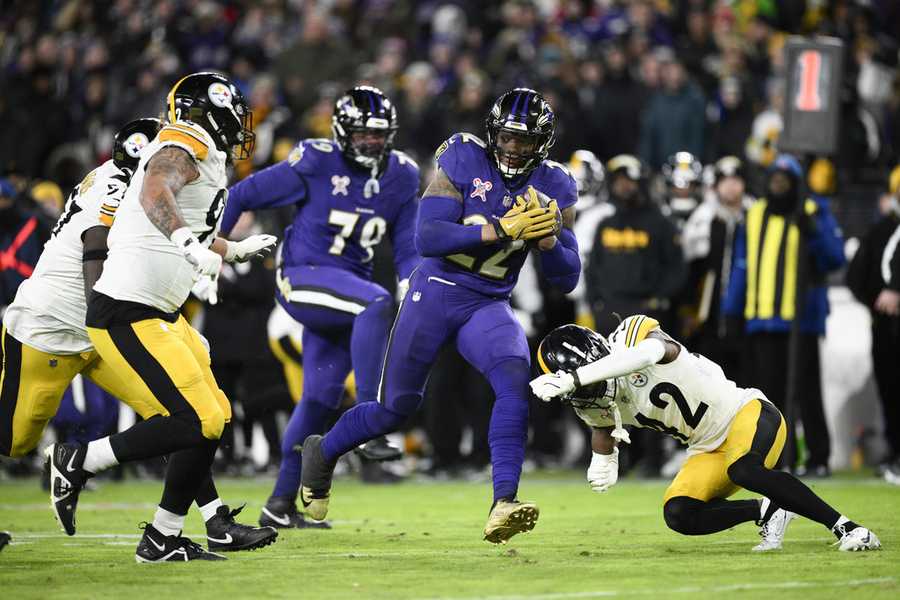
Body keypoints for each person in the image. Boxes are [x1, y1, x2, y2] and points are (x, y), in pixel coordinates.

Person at [299, 88, 581, 544]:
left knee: (513, 379)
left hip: (488, 301)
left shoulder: (555, 186)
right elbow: (427, 237)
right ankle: (323, 451)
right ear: (492, 134)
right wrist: (501, 229)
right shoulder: (465, 158)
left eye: (524, 142)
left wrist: (549, 240)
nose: (512, 149)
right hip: (435, 293)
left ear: (541, 145)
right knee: (394, 410)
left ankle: (503, 501)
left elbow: (567, 278)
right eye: (507, 138)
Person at [42, 73, 279, 562]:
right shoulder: (185, 138)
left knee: (215, 415)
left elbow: (181, 218)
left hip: (158, 309)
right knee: (196, 419)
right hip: (129, 308)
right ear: (212, 109)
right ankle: (80, 459)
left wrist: (231, 250)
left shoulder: (205, 155)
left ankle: (164, 537)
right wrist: (188, 244)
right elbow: (155, 190)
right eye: (233, 109)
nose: (240, 121)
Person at [220, 86, 420, 528]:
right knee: (376, 303)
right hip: (303, 275)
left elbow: (407, 245)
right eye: (363, 134)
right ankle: (370, 426)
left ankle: (279, 505)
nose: (372, 142)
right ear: (342, 131)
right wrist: (209, 251)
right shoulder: (315, 160)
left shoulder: (402, 174)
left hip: (346, 290)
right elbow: (241, 196)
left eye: (379, 134)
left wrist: (415, 284)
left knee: (318, 399)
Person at [529, 318, 881, 552]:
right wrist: (603, 459)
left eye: (590, 382)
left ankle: (848, 528)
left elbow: (653, 351)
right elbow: (602, 428)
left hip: (748, 413)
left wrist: (579, 377)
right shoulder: (586, 396)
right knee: (678, 513)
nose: (591, 392)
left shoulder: (630, 338)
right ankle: (765, 510)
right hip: (705, 448)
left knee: (744, 469)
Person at [722, 154, 845, 476]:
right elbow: (741, 266)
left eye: (784, 180)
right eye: (774, 178)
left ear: (795, 183)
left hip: (800, 321)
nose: (778, 184)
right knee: (766, 397)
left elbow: (834, 259)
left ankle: (818, 458)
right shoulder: (756, 214)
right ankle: (774, 458)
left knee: (806, 393)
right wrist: (731, 312)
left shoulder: (813, 210)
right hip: (761, 320)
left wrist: (814, 232)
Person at [846, 165, 900, 479]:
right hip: (887, 329)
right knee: (890, 391)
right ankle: (894, 452)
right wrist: (878, 303)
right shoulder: (880, 231)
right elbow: (856, 277)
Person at [680, 156, 751, 378]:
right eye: (725, 180)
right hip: (708, 314)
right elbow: (692, 269)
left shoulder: (755, 215)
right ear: (716, 185)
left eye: (736, 180)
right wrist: (690, 309)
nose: (731, 186)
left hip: (747, 312)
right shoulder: (703, 217)